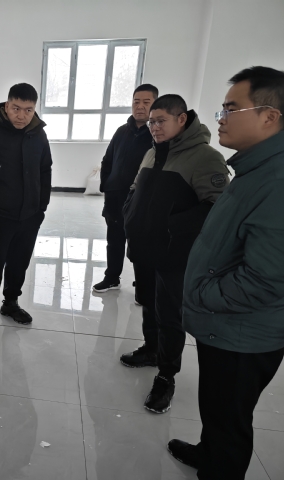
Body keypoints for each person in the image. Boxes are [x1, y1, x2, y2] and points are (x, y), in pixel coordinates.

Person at [169, 66, 284, 480]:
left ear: (269, 116)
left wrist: (203, 295)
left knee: (230, 417)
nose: (221, 118)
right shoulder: (256, 168)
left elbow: (267, 279)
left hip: (245, 332)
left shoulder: (277, 180)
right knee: (217, 408)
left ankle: (219, 468)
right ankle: (208, 452)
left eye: (232, 109)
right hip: (228, 324)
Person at [122, 94, 229, 413]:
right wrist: (130, 213)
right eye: (151, 122)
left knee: (169, 314)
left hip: (175, 254)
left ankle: (166, 375)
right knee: (148, 303)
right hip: (145, 248)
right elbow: (135, 189)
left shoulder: (205, 157)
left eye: (160, 121)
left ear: (181, 119)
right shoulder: (152, 152)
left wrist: (170, 226)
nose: (154, 127)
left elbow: (217, 208)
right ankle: (151, 349)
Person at [0, 83, 52, 341]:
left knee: (19, 263)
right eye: (16, 108)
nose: (21, 115)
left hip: (29, 216)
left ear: (34, 110)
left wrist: (41, 207)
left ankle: (10, 303)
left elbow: (45, 170)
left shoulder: (38, 134)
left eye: (28, 110)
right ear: (6, 106)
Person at [93, 84, 158, 293]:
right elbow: (107, 160)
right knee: (114, 239)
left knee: (141, 242)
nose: (140, 106)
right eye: (136, 102)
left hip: (141, 200)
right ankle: (112, 277)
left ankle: (143, 285)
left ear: (155, 105)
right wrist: (107, 185)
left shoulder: (157, 134)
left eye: (146, 102)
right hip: (115, 197)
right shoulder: (122, 131)